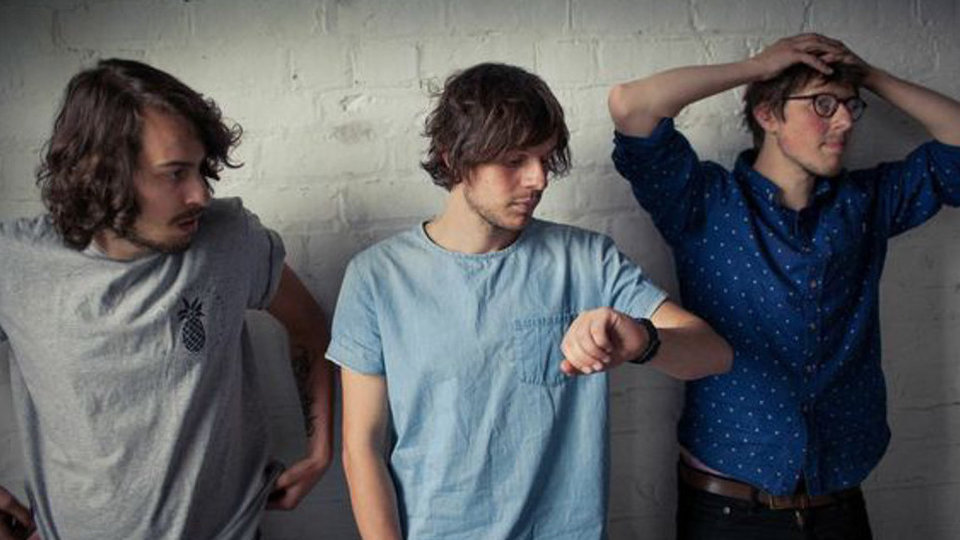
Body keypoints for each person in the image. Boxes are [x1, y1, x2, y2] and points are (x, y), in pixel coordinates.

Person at [329, 62, 733, 540]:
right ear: (454, 159)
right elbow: (362, 446)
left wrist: (641, 340)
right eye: (514, 160)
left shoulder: (587, 260)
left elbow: (712, 353)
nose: (538, 179)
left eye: (544, 158)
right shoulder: (377, 277)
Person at [608, 33, 960, 539]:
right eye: (823, 104)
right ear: (768, 115)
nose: (844, 121)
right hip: (727, 509)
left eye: (849, 106)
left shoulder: (866, 203)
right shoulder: (704, 202)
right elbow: (631, 105)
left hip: (838, 501)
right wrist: (757, 67)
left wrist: (867, 76)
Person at [0, 59, 334, 540]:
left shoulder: (228, 240)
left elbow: (308, 326)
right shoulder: (16, 263)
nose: (200, 194)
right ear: (103, 173)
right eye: (175, 173)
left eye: (200, 169)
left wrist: (319, 450)